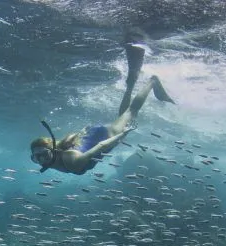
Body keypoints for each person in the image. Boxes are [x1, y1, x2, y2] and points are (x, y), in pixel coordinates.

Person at [30, 43, 175, 175]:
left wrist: (122, 134)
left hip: (104, 136)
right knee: (123, 115)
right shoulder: (57, 158)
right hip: (96, 134)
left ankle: (153, 81)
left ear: (53, 150)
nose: (41, 160)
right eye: (36, 158)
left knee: (131, 112)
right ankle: (131, 81)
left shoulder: (72, 161)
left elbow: (100, 146)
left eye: (43, 154)